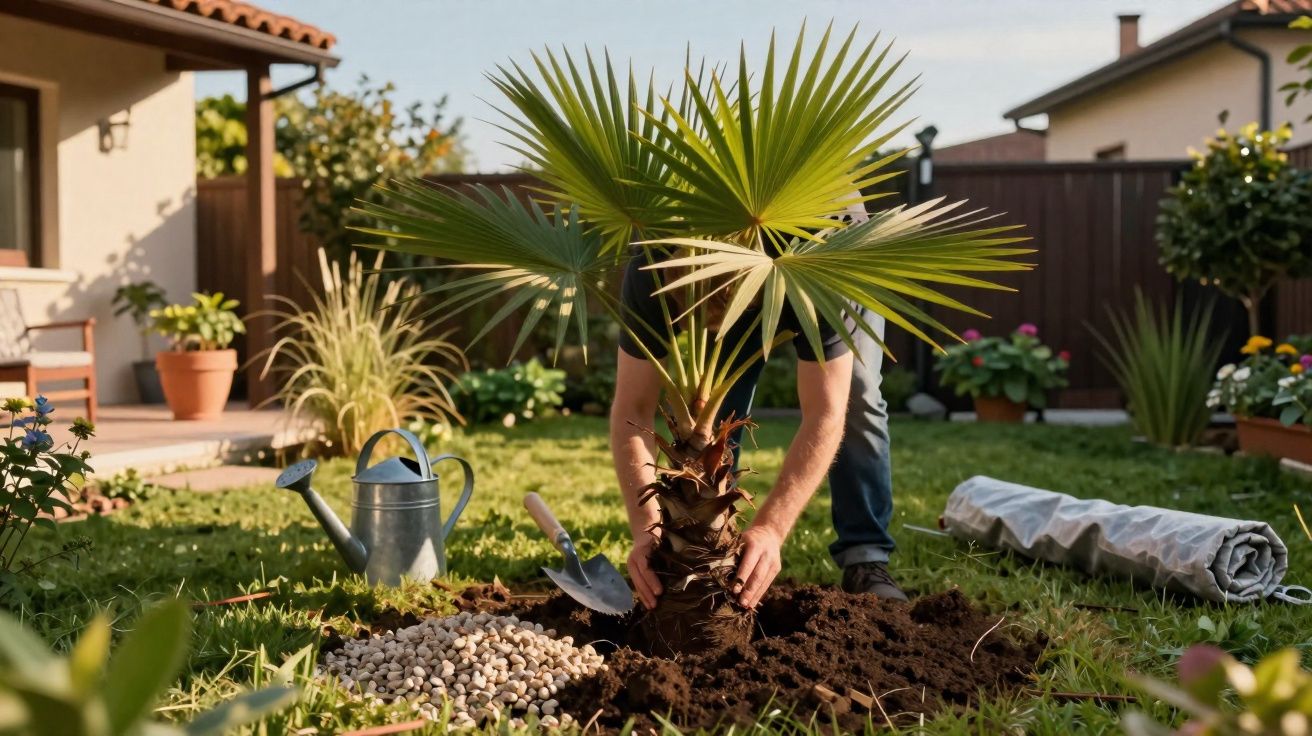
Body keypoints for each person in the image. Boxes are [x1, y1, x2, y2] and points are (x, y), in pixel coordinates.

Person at [609, 207, 905, 612]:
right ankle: (716, 553)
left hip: (823, 252)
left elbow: (826, 411)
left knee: (858, 398)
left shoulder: (824, 257)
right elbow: (632, 409)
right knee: (719, 407)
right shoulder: (651, 261)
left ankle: (865, 556)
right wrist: (647, 530)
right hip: (733, 270)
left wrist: (771, 529)